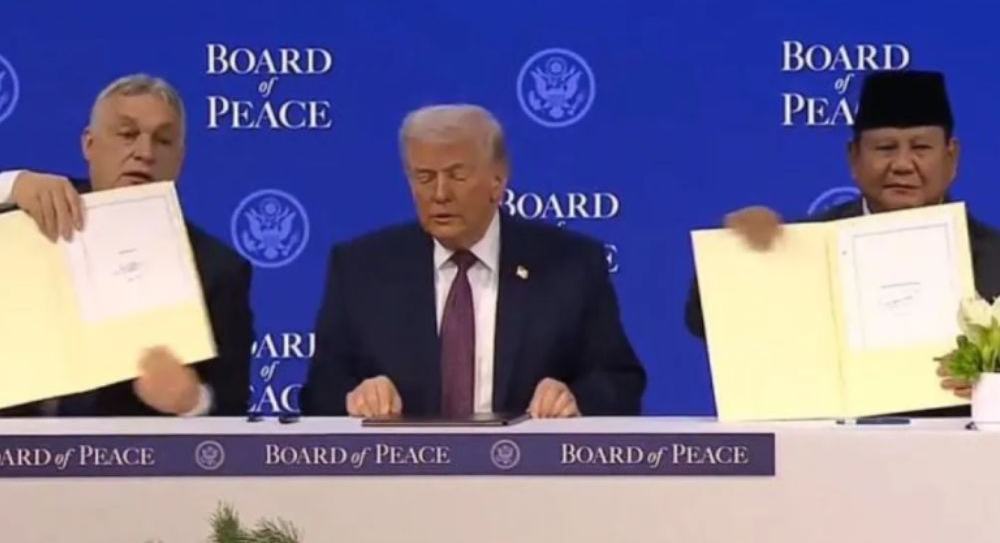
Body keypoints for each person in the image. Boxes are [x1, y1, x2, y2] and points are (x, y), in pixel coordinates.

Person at [300, 104, 646, 419]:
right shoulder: (362, 269)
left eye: (457, 176)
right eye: (424, 177)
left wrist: (575, 398)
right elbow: (320, 392)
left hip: (528, 465)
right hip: (402, 465)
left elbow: (619, 381)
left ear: (498, 180)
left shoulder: (571, 265)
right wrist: (355, 397)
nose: (440, 194)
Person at [684, 69, 1000, 412]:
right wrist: (740, 254)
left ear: (951, 158)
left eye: (921, 148)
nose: (902, 164)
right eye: (885, 148)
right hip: (824, 442)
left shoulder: (994, 257)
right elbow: (703, 322)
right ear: (853, 157)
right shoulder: (801, 246)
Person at [0, 73, 254, 417]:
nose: (145, 153)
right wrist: (10, 184)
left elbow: (232, 406)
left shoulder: (217, 269)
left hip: (130, 450)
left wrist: (193, 401)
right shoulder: (26, 211)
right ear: (89, 144)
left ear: (180, 158)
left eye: (163, 140)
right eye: (127, 134)